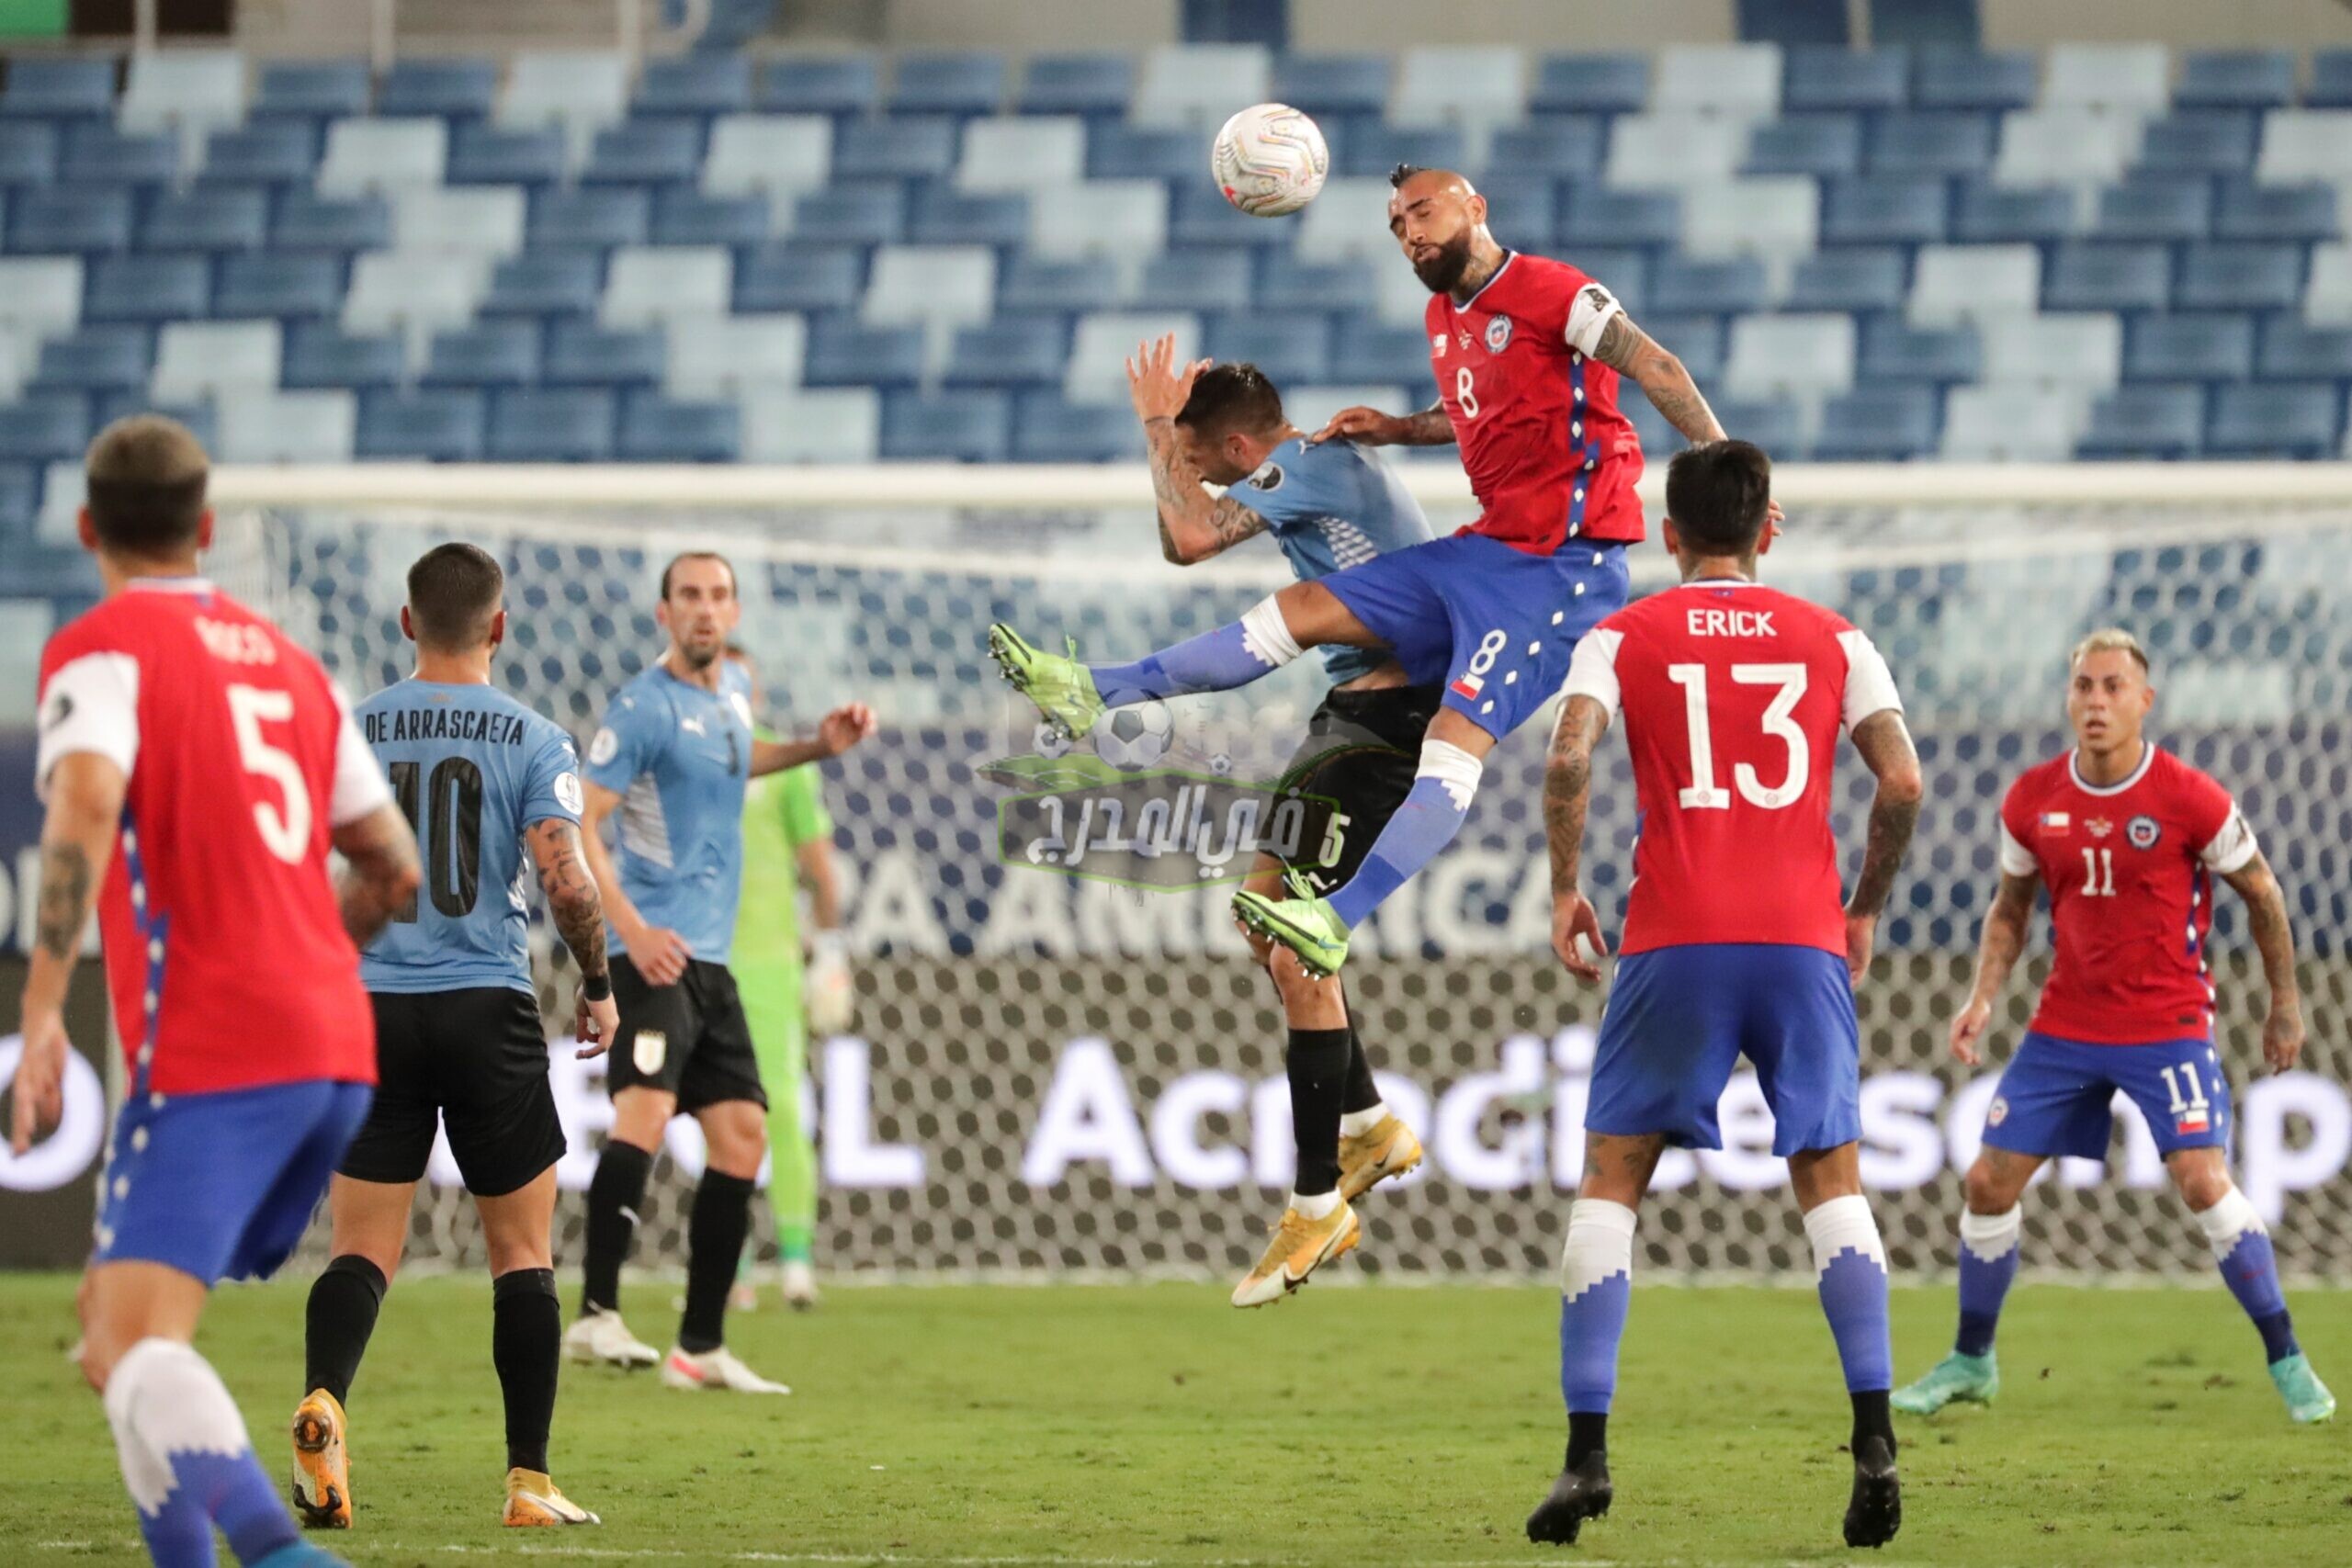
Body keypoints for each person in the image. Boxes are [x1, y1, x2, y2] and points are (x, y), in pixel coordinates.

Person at [992, 164, 1758, 982]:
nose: (1411, 233)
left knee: (1452, 739)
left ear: (1475, 207)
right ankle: (1092, 693)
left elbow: (1658, 368)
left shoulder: (1552, 290)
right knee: (1306, 604)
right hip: (1491, 547)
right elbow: (1477, 417)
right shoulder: (1443, 315)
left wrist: (1732, 472)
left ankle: (1333, 918)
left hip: (1564, 569)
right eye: (1396, 225)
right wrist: (1400, 427)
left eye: (1422, 212)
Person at [12, 415, 420, 1568]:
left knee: (141, 1352)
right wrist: (306, 961)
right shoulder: (296, 668)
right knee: (115, 1338)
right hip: (338, 1044)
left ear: (86, 527)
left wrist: (43, 1011)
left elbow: (86, 805)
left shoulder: (99, 649)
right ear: (206, 530)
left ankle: (286, 1558)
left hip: (214, 1045)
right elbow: (395, 868)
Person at [1531, 441, 1922, 1550]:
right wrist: (1864, 909)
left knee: (1612, 1180)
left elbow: (1566, 763)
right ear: (1768, 530)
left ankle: (1586, 1459)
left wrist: (1566, 887)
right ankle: (1875, 1437)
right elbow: (1902, 780)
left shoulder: (1620, 635)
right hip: (1800, 943)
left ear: (1666, 536)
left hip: (1675, 935)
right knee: (1830, 1183)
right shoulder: (1836, 638)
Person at [1892, 629, 2334, 1425]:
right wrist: (1983, 996)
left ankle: (2287, 1356)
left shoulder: (2189, 796)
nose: (2095, 702)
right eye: (2084, 687)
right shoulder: (2031, 800)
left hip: (2167, 1022)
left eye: (2112, 688)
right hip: (2068, 1024)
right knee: (1987, 1182)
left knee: (2203, 1178)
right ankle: (1972, 1359)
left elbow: (2262, 894)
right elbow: (2011, 908)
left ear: (2144, 701)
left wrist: (2286, 1002)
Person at [290, 544, 620, 1532]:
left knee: (361, 1248)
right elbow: (566, 881)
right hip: (486, 1004)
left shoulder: (349, 733)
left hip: (371, 1009)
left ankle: (325, 1403)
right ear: (501, 627)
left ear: (405, 623)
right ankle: (528, 1483)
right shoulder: (532, 736)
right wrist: (598, 985)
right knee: (521, 1251)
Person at [1119, 337, 1438, 1304]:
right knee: (1265, 916)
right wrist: (1180, 429)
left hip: (1390, 715)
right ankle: (1371, 1125)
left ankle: (1314, 1202)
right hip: (1355, 709)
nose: (1198, 472)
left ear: (1244, 442)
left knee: (1296, 946)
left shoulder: (1302, 467)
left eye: (1203, 452)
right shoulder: (1310, 472)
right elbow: (1198, 519)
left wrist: (1152, 425)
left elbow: (1186, 537)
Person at [560, 551, 875, 1392]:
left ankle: (699, 1346)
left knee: (742, 1136)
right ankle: (596, 1313)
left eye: (718, 595)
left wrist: (817, 745)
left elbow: (743, 756)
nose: (705, 608)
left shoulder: (730, 693)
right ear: (664, 613)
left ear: (734, 611)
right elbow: (585, 822)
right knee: (646, 1114)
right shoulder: (640, 707)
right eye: (689, 595)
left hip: (713, 964)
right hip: (653, 956)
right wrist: (627, 928)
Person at [724, 643, 853, 1312]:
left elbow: (820, 869)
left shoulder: (786, 770)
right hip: (705, 961)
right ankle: (734, 1262)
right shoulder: (687, 760)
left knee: (782, 1109)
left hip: (772, 963)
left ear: (758, 694)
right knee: (720, 1117)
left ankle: (796, 1258)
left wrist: (828, 952)